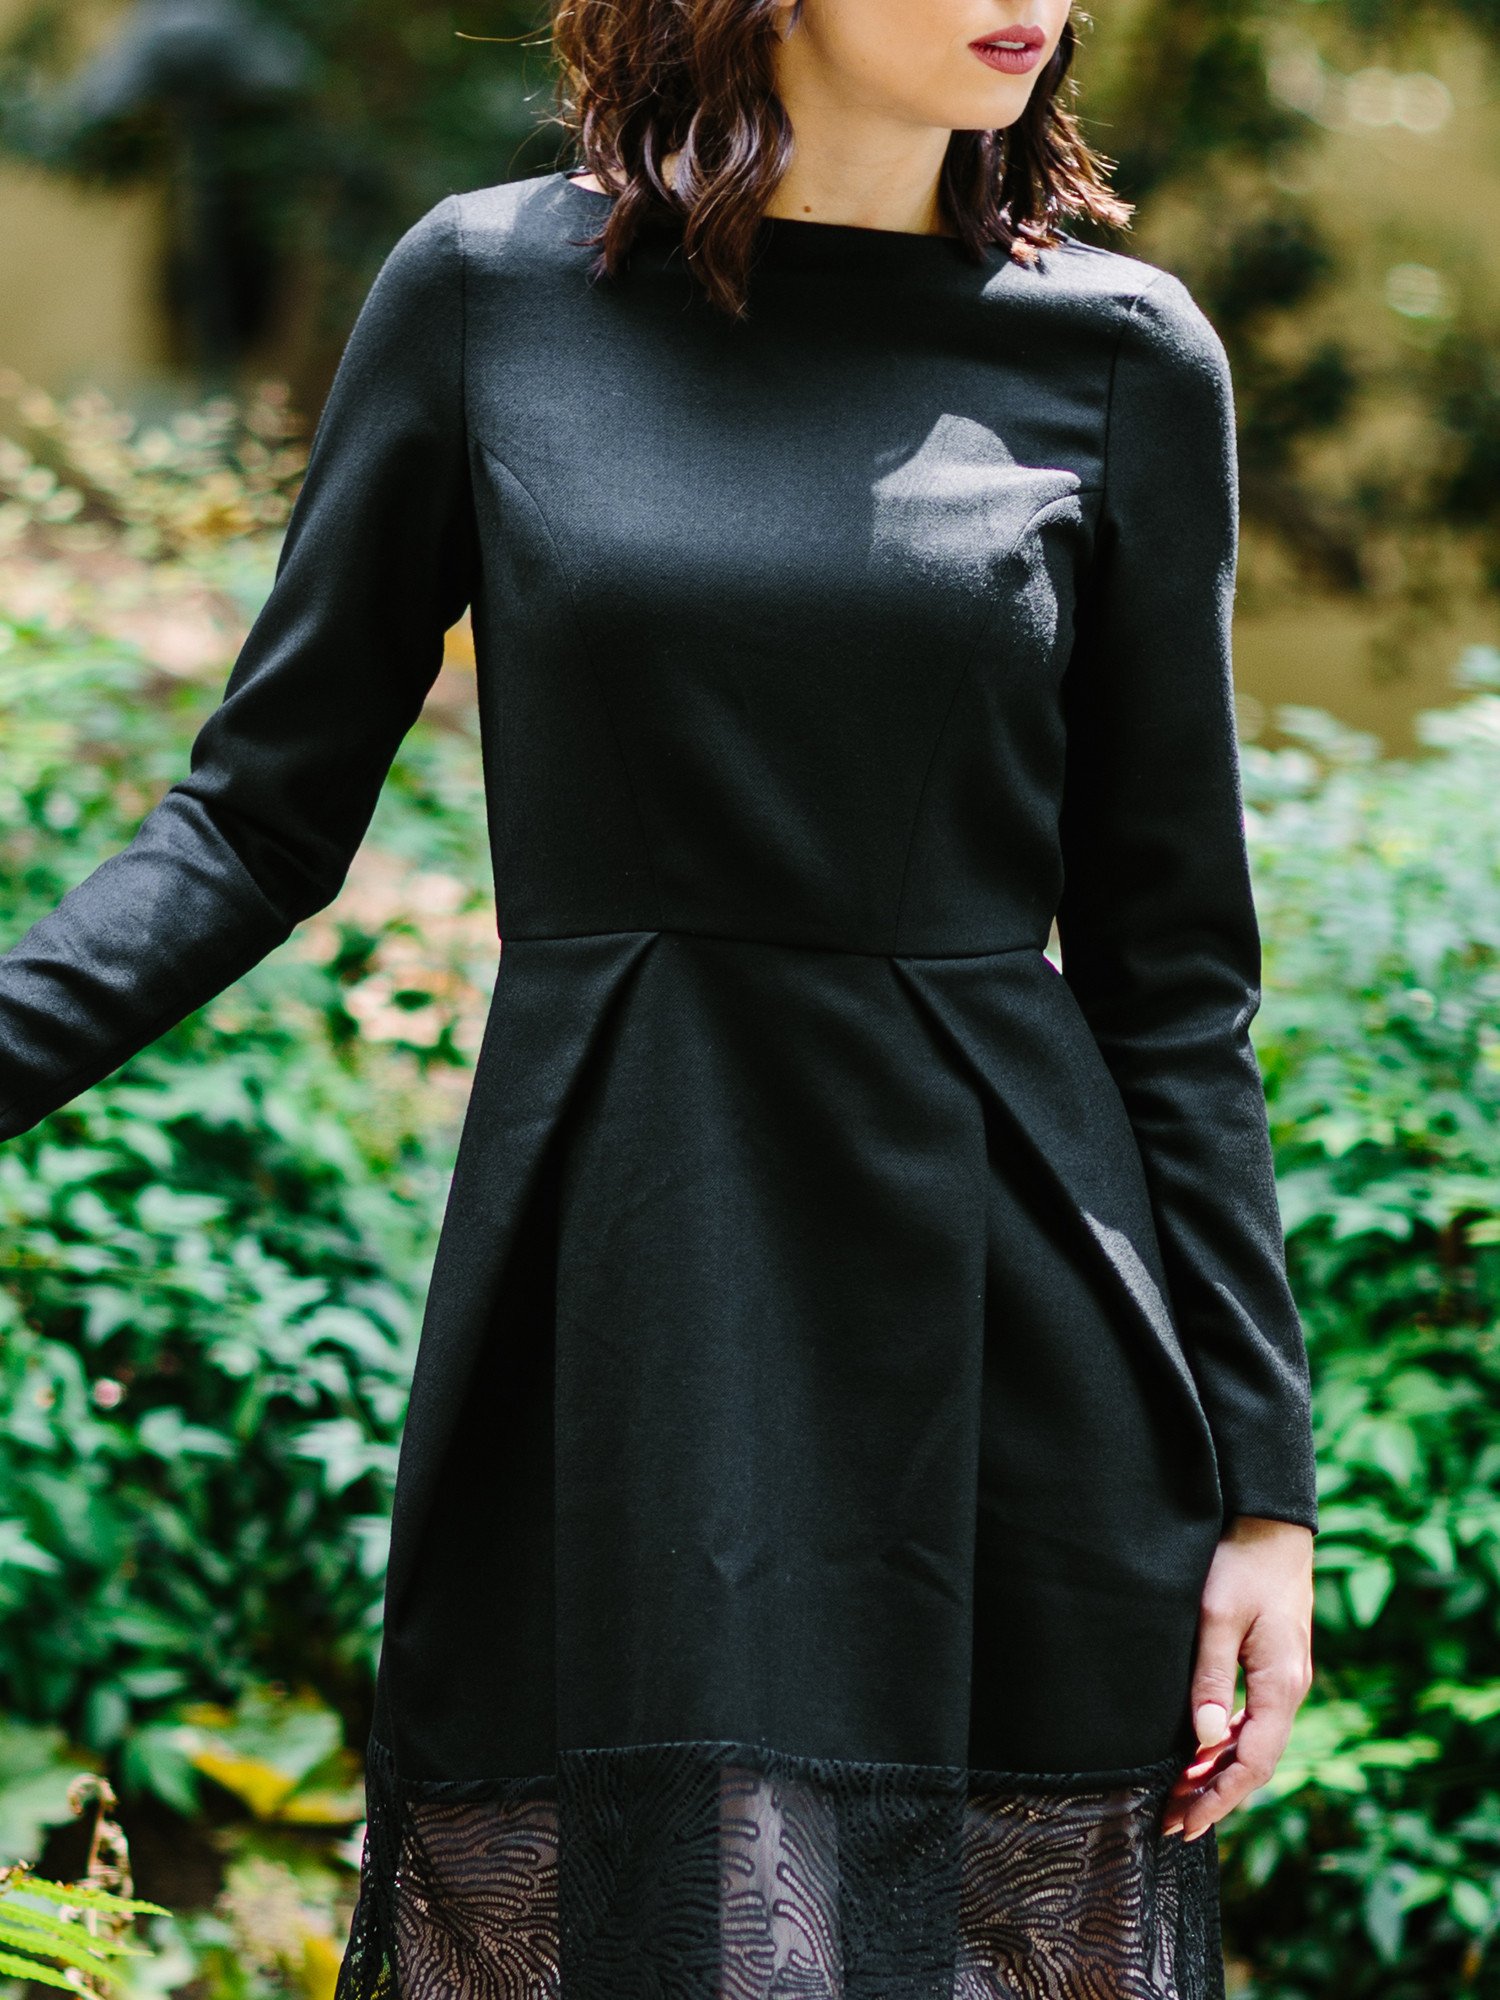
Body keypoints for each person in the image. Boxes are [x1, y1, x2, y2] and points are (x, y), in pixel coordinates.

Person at [0, 0, 1319, 1993]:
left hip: (1005, 1327)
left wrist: (1265, 1489)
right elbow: (257, 821)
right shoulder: (487, 292)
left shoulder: (1124, 354)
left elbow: (1172, 974)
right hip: (623, 1282)